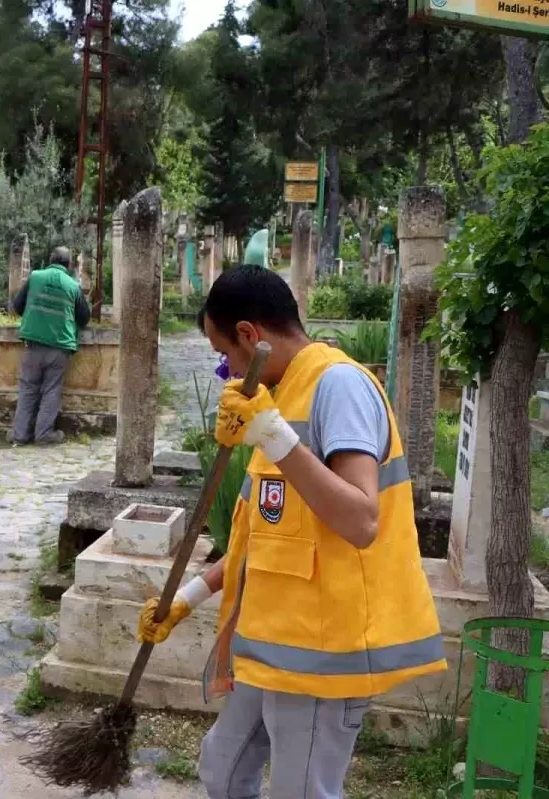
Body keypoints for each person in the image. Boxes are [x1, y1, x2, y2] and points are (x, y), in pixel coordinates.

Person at [138, 265, 445, 799]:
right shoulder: (282, 397)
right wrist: (187, 598)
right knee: (224, 770)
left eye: (224, 354)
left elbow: (360, 519)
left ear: (250, 335)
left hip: (324, 653)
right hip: (276, 644)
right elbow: (268, 536)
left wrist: (273, 434)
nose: (226, 370)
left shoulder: (338, 386)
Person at [7, 246, 91, 445]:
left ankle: (19, 436)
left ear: (50, 260)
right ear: (68, 265)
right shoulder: (73, 285)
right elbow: (84, 317)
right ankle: (44, 434)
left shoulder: (35, 276)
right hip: (59, 347)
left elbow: (17, 306)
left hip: (33, 344)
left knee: (28, 389)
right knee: (51, 390)